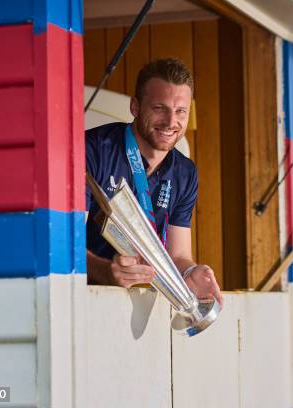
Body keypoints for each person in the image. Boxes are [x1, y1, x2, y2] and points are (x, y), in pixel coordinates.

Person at [85, 58, 223, 306]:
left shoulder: (186, 171)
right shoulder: (92, 150)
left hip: (144, 306)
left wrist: (191, 273)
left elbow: (178, 255)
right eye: (160, 108)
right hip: (87, 299)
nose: (171, 122)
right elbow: (65, 244)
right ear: (135, 107)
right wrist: (105, 270)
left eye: (180, 111)